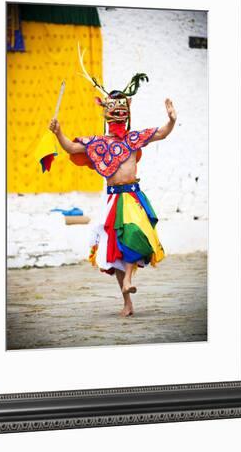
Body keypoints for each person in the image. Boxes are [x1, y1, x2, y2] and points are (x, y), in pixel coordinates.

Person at [49, 51, 177, 317]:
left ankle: (130, 281)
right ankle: (127, 302)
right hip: (111, 201)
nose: (117, 114)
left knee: (134, 236)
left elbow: (161, 133)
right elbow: (71, 146)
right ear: (106, 111)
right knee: (114, 254)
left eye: (122, 109)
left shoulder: (133, 138)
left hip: (133, 198)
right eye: (113, 109)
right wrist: (58, 131)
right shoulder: (97, 143)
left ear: (126, 111)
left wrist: (172, 120)